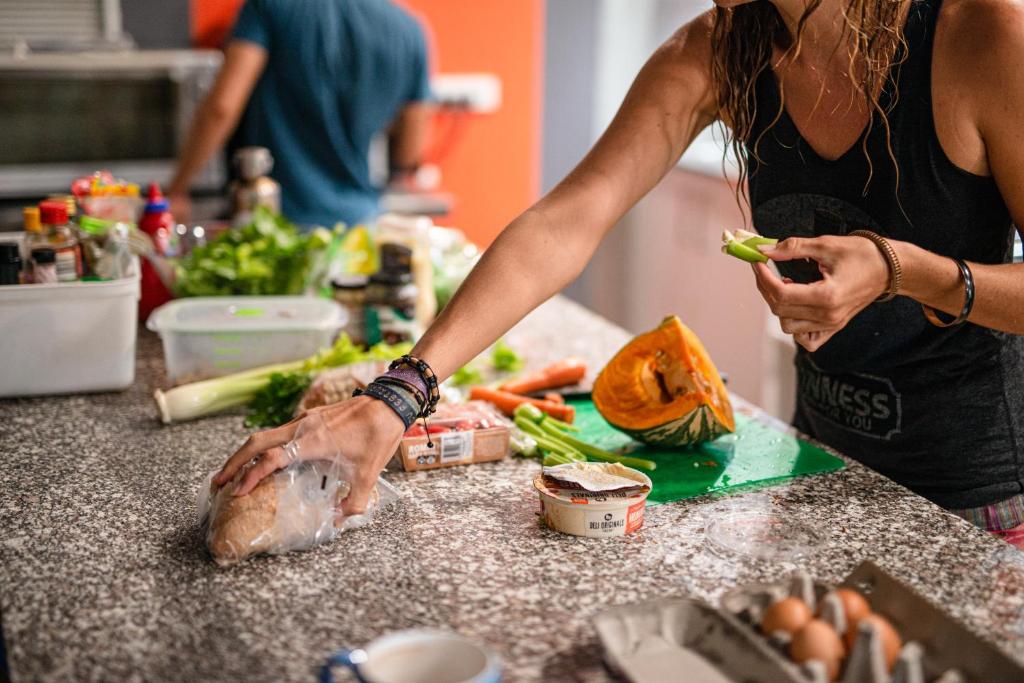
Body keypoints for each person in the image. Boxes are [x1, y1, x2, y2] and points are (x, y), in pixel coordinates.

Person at [216, 0, 1024, 548]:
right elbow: (567, 220)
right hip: (822, 471)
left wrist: (903, 270)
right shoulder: (721, 47)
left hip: (985, 498)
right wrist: (398, 394)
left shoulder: (981, 34)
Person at [168, 0, 433, 227]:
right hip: (357, 224)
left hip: (275, 225)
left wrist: (178, 189)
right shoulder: (410, 30)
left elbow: (222, 108)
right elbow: (410, 150)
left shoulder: (271, 5)